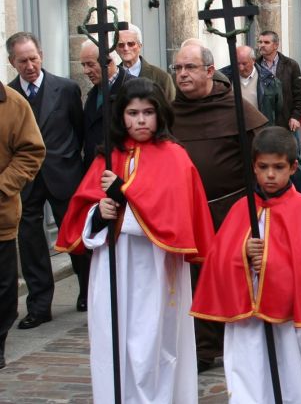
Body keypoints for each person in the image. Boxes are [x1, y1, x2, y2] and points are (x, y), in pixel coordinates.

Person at [55, 78, 214, 402]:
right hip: (112, 264)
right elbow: (84, 210)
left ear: (160, 115)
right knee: (111, 340)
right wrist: (99, 214)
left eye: (147, 112)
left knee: (153, 343)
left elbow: (175, 216)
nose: (140, 120)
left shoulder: (175, 157)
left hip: (156, 266)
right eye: (132, 113)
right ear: (120, 116)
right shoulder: (108, 158)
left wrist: (124, 193)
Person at [190, 126, 301, 404]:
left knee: (300, 378)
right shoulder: (242, 210)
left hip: (294, 322)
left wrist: (274, 265)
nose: (270, 175)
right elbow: (217, 262)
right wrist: (242, 254)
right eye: (263, 167)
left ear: (293, 167)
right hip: (250, 322)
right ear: (254, 168)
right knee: (253, 379)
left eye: (278, 167)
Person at [171, 40, 268, 372]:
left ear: (210, 70)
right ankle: (202, 346)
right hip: (186, 213)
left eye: (189, 67)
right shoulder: (171, 112)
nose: (181, 74)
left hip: (232, 210)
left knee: (231, 275)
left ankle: (239, 336)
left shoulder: (234, 108)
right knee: (194, 279)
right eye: (178, 68)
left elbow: (265, 155)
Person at [6, 32, 89, 326]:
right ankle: (39, 305)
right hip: (26, 180)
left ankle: (86, 290)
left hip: (63, 173)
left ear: (41, 54)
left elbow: (78, 130)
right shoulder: (10, 96)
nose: (30, 65)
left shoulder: (65, 88)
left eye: (33, 58)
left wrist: (69, 160)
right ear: (11, 62)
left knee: (75, 235)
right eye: (22, 61)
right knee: (30, 242)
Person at [0, 82, 45, 369]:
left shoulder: (13, 104)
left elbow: (31, 151)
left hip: (1, 215)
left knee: (3, 286)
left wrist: (3, 186)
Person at [257, 30, 301, 193]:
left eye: (266, 42)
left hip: (287, 122)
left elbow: (300, 95)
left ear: (276, 45)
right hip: (264, 123)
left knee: (294, 160)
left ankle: (300, 196)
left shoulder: (290, 65)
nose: (261, 46)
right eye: (260, 42)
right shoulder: (256, 66)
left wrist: (295, 117)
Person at [80, 39, 134, 170]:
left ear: (108, 62)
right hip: (94, 172)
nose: (86, 71)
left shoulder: (132, 89)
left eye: (90, 64)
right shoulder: (93, 94)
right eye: (83, 65)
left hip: (121, 171)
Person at [220, 45, 283, 125]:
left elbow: (278, 108)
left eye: (244, 63)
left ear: (253, 60)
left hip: (259, 130)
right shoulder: (223, 78)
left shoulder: (270, 81)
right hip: (233, 129)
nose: (241, 68)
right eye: (237, 63)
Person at [115, 23, 175, 102]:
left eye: (131, 44)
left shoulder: (162, 78)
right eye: (121, 45)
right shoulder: (112, 77)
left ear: (140, 46)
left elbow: (170, 110)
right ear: (116, 49)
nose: (126, 48)